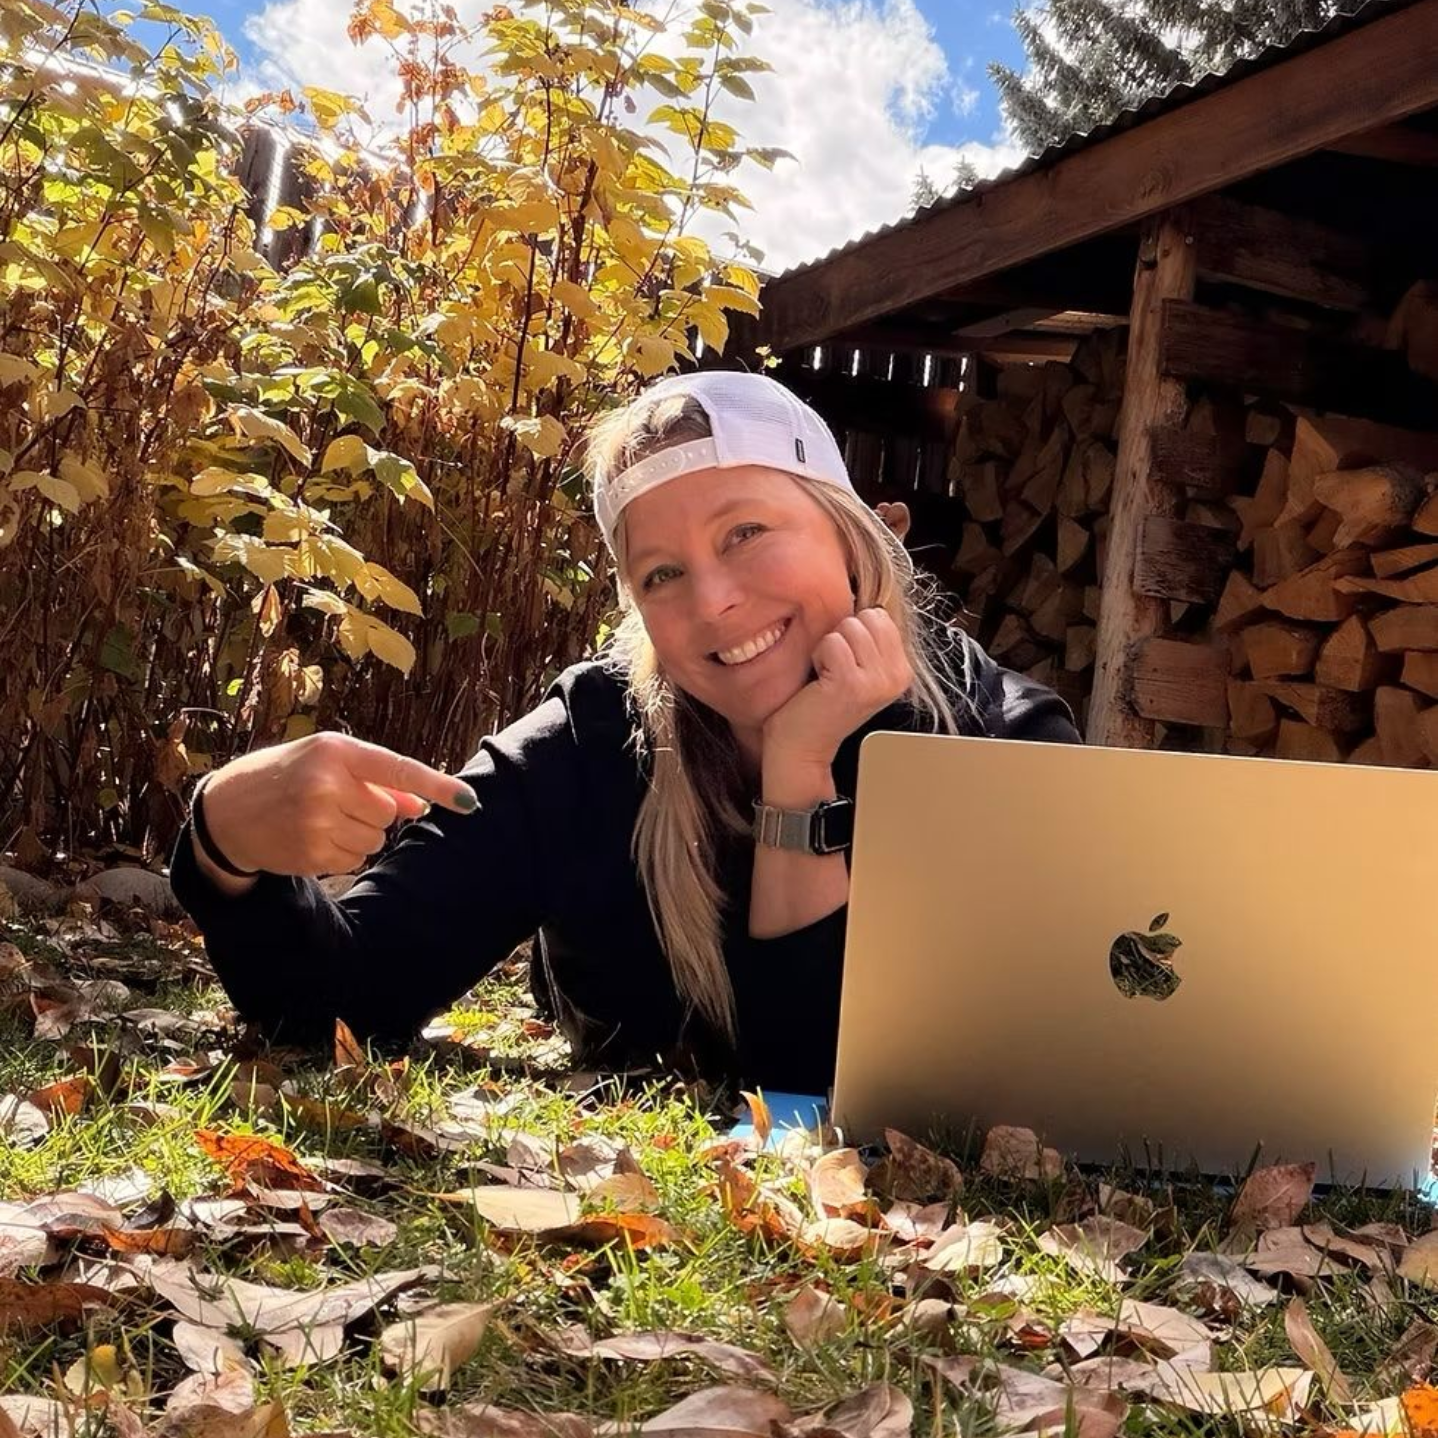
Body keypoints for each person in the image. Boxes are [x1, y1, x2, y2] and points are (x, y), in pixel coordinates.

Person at [170, 371, 1081, 1093]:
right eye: (660, 574)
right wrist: (222, 842)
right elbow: (342, 1001)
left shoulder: (991, 738)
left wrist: (800, 770)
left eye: (746, 532)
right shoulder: (587, 744)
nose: (714, 601)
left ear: (851, 539)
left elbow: (822, 1081)